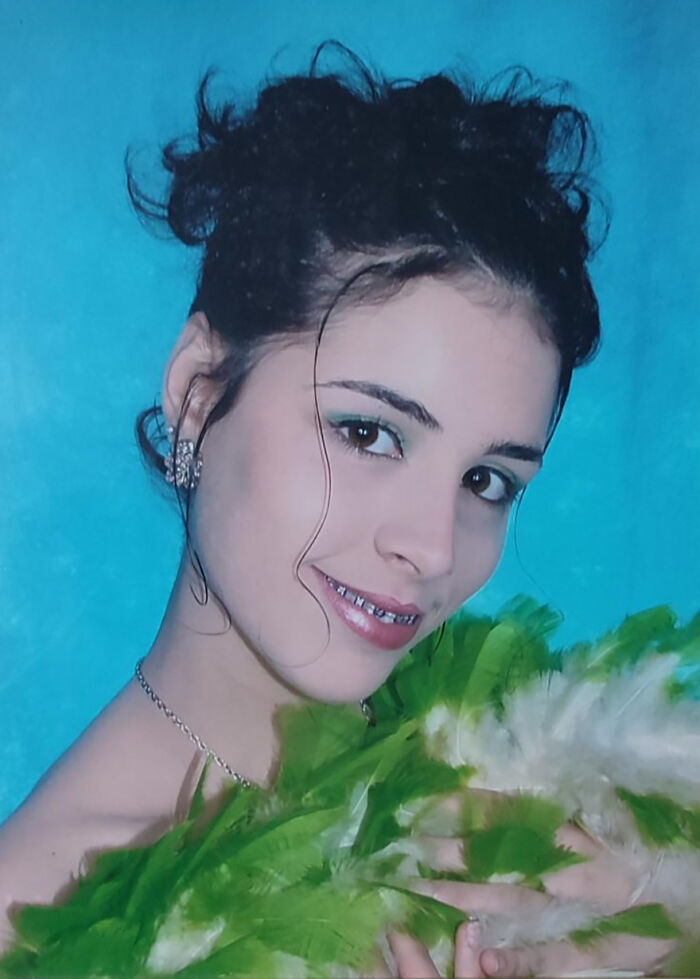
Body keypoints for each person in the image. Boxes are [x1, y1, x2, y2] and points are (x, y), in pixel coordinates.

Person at [0, 45, 676, 977]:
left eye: (489, 481)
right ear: (198, 394)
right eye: (369, 433)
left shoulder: (545, 785)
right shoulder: (39, 925)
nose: (431, 547)